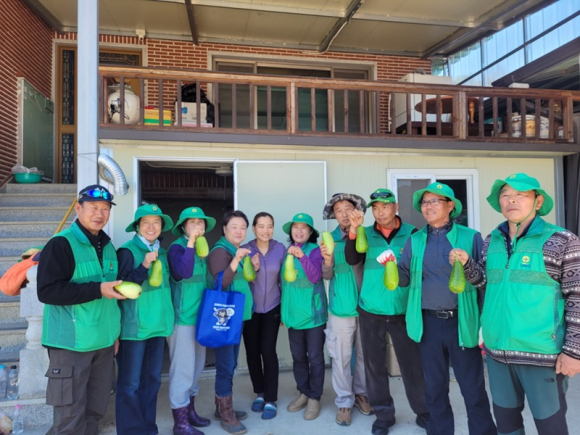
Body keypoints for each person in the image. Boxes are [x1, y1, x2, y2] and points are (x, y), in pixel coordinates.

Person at [451, 173, 580, 435]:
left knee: (551, 427)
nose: (512, 200)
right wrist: (466, 264)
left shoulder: (562, 240)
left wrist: (573, 351)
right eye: (506, 195)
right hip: (498, 353)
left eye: (521, 195)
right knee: (507, 425)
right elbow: (485, 283)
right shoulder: (492, 240)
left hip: (542, 354)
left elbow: (576, 297)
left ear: (538, 201)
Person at [398, 182, 496, 435]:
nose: (427, 206)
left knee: (472, 388)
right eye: (424, 202)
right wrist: (390, 266)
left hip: (461, 322)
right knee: (434, 388)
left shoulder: (471, 237)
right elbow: (404, 277)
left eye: (434, 201)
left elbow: (484, 279)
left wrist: (484, 321)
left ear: (450, 206)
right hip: (428, 323)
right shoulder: (415, 239)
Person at [37, 185, 125, 435]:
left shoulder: (108, 247)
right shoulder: (61, 244)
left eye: (105, 208)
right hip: (71, 345)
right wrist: (97, 289)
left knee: (95, 411)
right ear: (78, 208)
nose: (99, 213)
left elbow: (110, 298)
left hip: (103, 344)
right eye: (93, 207)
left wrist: (114, 334)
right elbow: (48, 291)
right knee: (70, 417)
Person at [346, 188, 429, 435]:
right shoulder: (365, 233)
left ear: (396, 207)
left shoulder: (413, 234)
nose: (380, 212)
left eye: (385, 206)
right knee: (374, 368)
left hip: (404, 311)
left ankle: (424, 412)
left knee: (412, 367)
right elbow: (352, 259)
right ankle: (383, 415)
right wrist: (354, 230)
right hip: (371, 310)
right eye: (375, 208)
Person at [115, 204, 175, 435]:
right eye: (146, 222)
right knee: (130, 385)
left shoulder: (164, 253)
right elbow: (120, 289)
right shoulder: (127, 252)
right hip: (134, 329)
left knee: (152, 382)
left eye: (156, 222)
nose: (151, 227)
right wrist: (144, 265)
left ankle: (148, 428)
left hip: (157, 327)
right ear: (137, 226)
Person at [321, 193, 372, 426]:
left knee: (364, 354)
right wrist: (327, 261)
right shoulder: (329, 239)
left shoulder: (367, 235)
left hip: (367, 305)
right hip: (341, 307)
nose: (343, 214)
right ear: (334, 215)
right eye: (338, 210)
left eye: (348, 208)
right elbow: (326, 275)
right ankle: (343, 400)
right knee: (341, 357)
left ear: (356, 211)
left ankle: (361, 393)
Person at [167, 207, 217, 435]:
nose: (197, 226)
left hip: (200, 317)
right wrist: (191, 243)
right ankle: (180, 423)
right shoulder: (177, 248)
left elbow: (205, 281)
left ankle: (190, 412)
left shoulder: (201, 248)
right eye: (192, 222)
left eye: (201, 222)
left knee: (197, 368)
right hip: (183, 319)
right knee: (183, 371)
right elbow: (184, 272)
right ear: (183, 227)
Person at [207, 210, 255, 435]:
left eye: (243, 227)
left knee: (230, 363)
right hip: (226, 316)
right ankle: (227, 414)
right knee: (226, 365)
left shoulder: (236, 250)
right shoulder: (220, 251)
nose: (239, 231)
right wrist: (236, 261)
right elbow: (221, 283)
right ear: (224, 229)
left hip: (236, 316)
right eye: (234, 226)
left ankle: (221, 408)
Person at [282, 213, 327, 421]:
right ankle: (304, 392)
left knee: (315, 358)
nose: (299, 231)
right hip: (293, 315)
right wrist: (284, 312)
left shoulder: (315, 251)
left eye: (304, 228)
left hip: (313, 315)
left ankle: (315, 397)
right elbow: (285, 284)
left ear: (310, 232)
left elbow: (315, 277)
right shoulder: (286, 252)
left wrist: (301, 256)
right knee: (298, 357)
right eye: (295, 227)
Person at [241, 212, 285, 420]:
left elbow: (284, 280)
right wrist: (254, 269)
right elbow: (241, 281)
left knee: (268, 351)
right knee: (252, 352)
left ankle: (271, 398)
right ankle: (259, 392)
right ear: (254, 228)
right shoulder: (245, 250)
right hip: (250, 309)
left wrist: (285, 308)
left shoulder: (280, 249)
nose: (265, 230)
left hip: (272, 308)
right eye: (261, 226)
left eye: (269, 226)